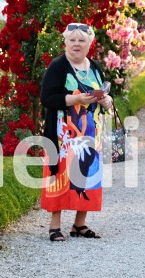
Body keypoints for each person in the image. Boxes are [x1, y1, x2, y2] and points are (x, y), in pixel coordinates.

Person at [40, 23, 113, 241]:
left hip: (91, 135)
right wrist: (76, 99)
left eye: (81, 40)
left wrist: (107, 100)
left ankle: (79, 224)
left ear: (89, 44)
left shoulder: (95, 67)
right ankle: (55, 226)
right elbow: (47, 98)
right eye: (72, 40)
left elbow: (106, 94)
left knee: (87, 176)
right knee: (60, 175)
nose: (76, 44)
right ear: (65, 42)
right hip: (63, 137)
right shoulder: (58, 66)